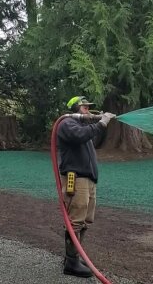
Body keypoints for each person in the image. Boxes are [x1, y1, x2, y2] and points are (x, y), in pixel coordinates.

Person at [57, 95, 115, 278]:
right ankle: (71, 263)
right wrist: (102, 123)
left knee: (85, 220)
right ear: (75, 107)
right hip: (77, 178)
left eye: (89, 107)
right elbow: (80, 135)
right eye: (84, 107)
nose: (88, 109)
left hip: (88, 180)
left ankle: (73, 257)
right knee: (75, 219)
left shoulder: (82, 126)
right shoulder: (66, 123)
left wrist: (99, 122)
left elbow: (88, 134)